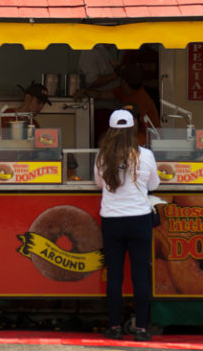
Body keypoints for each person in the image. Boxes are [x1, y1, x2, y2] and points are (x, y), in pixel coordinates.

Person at [93, 108, 159, 342]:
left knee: (115, 278)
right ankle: (141, 330)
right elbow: (155, 184)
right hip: (139, 220)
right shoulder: (146, 155)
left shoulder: (102, 156)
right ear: (133, 130)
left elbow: (99, 183)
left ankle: (115, 327)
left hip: (112, 221)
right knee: (140, 276)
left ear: (110, 131)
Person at [75, 44, 122, 143]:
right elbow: (91, 81)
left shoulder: (110, 51)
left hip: (113, 106)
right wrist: (117, 75)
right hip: (100, 109)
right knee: (105, 145)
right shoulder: (90, 52)